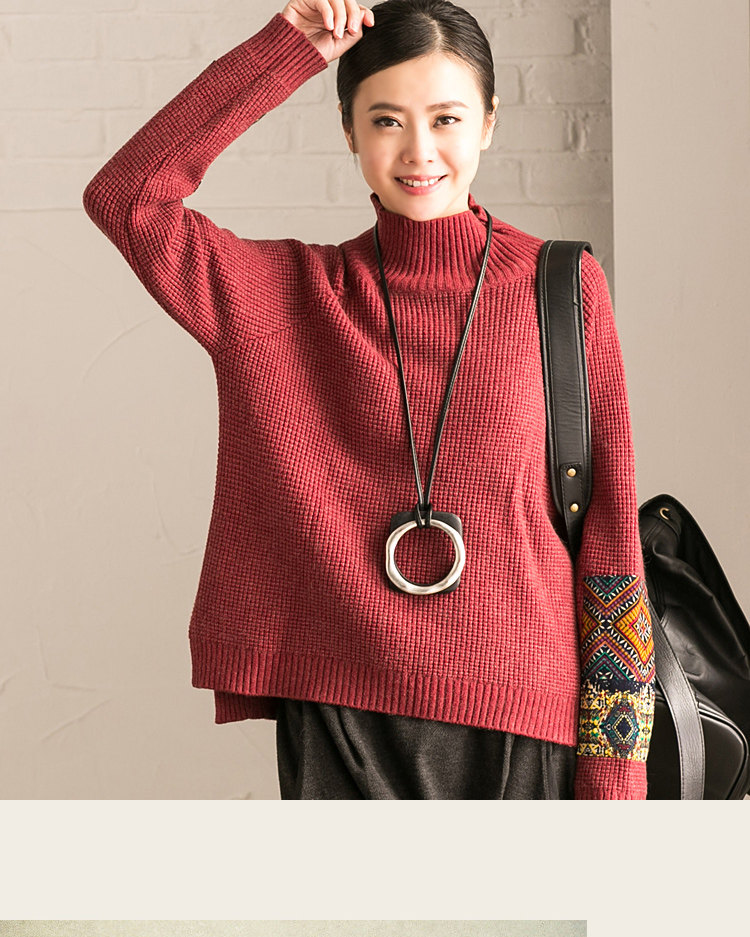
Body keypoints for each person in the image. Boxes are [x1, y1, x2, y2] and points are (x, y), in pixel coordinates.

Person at [83, 2, 654, 801]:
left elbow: (610, 534)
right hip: (340, 721)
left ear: (489, 123)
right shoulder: (282, 297)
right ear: (349, 131)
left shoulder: (558, 288)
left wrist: (616, 779)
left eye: (446, 119)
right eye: (386, 120)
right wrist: (286, 51)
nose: (419, 151)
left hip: (524, 721)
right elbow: (127, 198)